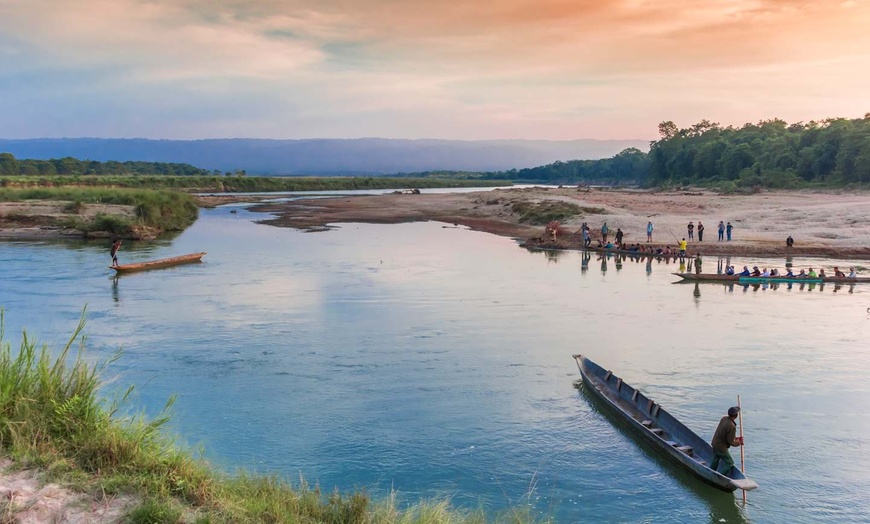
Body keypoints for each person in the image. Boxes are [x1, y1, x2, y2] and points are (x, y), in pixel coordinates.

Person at [710, 406, 744, 475]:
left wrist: (737, 438)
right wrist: (739, 442)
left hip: (715, 443)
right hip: (721, 447)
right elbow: (731, 442)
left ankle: (710, 471)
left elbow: (726, 436)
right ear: (736, 416)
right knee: (730, 462)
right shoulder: (732, 426)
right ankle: (720, 476)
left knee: (716, 457)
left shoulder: (724, 418)